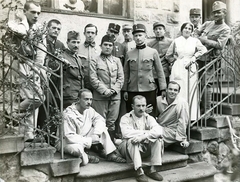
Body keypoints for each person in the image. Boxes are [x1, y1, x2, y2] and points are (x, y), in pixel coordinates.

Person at [6, 1, 46, 141]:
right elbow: (22, 34)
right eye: (33, 12)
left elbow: (42, 50)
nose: (36, 16)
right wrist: (23, 20)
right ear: (24, 11)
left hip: (33, 66)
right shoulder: (14, 24)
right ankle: (10, 112)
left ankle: (29, 134)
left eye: (38, 13)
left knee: (35, 98)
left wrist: (38, 67)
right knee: (35, 98)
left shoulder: (39, 28)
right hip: (18, 65)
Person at [62, 88, 126, 165]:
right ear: (78, 100)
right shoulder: (69, 114)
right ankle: (86, 156)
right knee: (77, 150)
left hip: (84, 137)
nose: (89, 102)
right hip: (68, 142)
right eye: (86, 99)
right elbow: (69, 137)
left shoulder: (89, 110)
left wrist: (96, 133)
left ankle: (110, 154)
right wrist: (90, 140)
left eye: (91, 99)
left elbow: (100, 119)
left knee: (102, 130)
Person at [165, 22, 207, 121]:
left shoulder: (195, 41)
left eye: (189, 29)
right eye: (185, 28)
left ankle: (191, 117)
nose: (187, 30)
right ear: (182, 30)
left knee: (190, 90)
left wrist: (194, 57)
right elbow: (168, 55)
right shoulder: (176, 41)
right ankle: (176, 116)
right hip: (178, 67)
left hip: (191, 66)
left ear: (192, 31)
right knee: (178, 90)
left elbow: (203, 50)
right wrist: (175, 61)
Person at [123, 24, 166, 117]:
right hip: (132, 88)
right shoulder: (129, 53)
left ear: (145, 36)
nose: (138, 38)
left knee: (149, 114)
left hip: (149, 88)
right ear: (133, 37)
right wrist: (125, 89)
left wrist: (163, 88)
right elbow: (126, 73)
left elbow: (160, 71)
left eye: (140, 35)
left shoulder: (153, 52)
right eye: (136, 35)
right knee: (132, 114)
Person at [195, 1, 231, 113]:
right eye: (214, 12)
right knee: (197, 83)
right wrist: (197, 37)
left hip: (211, 59)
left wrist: (205, 40)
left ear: (224, 13)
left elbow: (220, 45)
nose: (215, 15)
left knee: (206, 83)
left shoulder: (225, 29)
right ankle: (198, 108)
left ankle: (207, 110)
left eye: (218, 12)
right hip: (199, 57)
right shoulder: (207, 24)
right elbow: (196, 33)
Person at [118, 95, 164, 182]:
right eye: (138, 106)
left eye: (143, 105)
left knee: (158, 139)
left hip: (144, 149)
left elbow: (159, 130)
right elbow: (126, 133)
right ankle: (139, 170)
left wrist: (143, 137)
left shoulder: (149, 118)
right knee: (133, 140)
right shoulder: (125, 118)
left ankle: (153, 169)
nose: (141, 108)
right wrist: (146, 133)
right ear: (132, 106)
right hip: (128, 150)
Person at [90, 35, 124, 142]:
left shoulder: (117, 61)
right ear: (101, 46)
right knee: (100, 121)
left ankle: (111, 146)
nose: (108, 47)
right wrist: (105, 91)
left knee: (112, 122)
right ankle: (100, 147)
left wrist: (113, 90)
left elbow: (121, 77)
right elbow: (93, 78)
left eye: (110, 45)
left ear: (113, 47)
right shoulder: (94, 60)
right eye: (105, 45)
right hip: (100, 97)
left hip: (115, 97)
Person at [37, 19, 66, 130]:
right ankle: (41, 131)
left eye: (58, 29)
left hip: (56, 80)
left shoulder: (60, 44)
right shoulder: (42, 41)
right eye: (53, 28)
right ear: (48, 28)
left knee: (54, 105)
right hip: (43, 78)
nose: (56, 31)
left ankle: (51, 134)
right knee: (44, 105)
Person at [156, 81, 190, 148]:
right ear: (166, 90)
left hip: (172, 131)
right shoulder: (158, 100)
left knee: (154, 135)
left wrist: (182, 139)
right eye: (170, 89)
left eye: (175, 90)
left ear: (178, 92)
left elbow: (183, 121)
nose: (172, 92)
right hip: (159, 127)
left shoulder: (182, 103)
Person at [57, 31, 84, 109]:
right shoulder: (62, 56)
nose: (76, 45)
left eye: (78, 42)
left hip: (78, 95)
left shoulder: (78, 58)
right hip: (68, 95)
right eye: (73, 42)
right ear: (67, 43)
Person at [148, 22, 172, 89]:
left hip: (165, 72)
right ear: (154, 31)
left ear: (164, 31)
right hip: (154, 73)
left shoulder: (170, 42)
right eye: (156, 29)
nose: (158, 31)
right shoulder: (150, 44)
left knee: (164, 92)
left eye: (160, 29)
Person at [78, 23, 101, 90]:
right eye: (88, 32)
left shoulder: (100, 49)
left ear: (96, 34)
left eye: (92, 33)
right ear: (84, 33)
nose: (90, 35)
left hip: (96, 84)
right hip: (82, 83)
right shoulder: (78, 48)